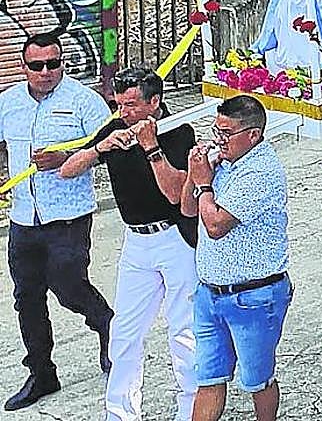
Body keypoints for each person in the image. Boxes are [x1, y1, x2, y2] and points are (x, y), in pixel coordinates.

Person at [60, 66, 198, 421]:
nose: (125, 113)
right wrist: (100, 148)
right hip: (136, 243)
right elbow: (68, 169)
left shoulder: (180, 131)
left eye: (132, 105)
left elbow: (175, 194)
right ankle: (120, 414)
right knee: (124, 333)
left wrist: (151, 146)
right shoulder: (116, 128)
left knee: (184, 330)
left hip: (175, 238)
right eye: (119, 105)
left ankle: (191, 411)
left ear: (155, 101)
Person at [0, 32, 113, 411]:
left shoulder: (83, 100)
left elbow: (109, 144)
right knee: (27, 297)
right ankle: (42, 372)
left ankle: (104, 323)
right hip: (23, 216)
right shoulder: (9, 103)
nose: (47, 71)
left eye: (54, 63)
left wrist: (70, 159)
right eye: (38, 65)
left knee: (68, 285)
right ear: (24, 66)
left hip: (67, 214)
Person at [182, 95, 290, 421]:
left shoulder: (262, 170)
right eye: (216, 131)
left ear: (253, 135)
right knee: (209, 379)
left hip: (254, 295)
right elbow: (188, 209)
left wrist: (204, 184)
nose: (219, 140)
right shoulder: (223, 162)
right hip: (211, 292)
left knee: (258, 381)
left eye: (226, 133)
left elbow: (215, 225)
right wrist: (194, 174)